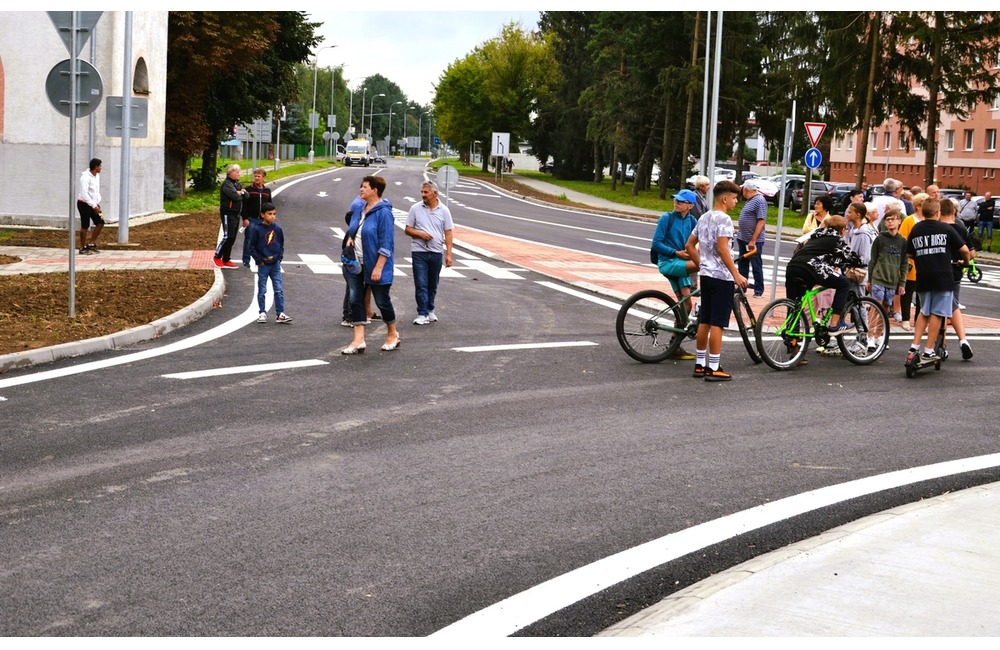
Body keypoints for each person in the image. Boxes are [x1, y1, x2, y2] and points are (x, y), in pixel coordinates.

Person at [683, 180, 748, 382]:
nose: (736, 202)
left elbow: (689, 245)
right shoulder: (724, 220)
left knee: (705, 320)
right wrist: (736, 274)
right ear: (725, 198)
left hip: (707, 275)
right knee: (718, 323)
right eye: (735, 198)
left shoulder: (703, 218)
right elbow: (723, 248)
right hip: (721, 277)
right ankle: (714, 367)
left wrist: (701, 264)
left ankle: (700, 365)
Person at [905, 198, 970, 365]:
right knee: (938, 312)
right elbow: (964, 249)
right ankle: (928, 350)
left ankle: (914, 347)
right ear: (937, 212)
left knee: (924, 311)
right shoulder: (945, 228)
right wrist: (965, 263)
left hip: (923, 275)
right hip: (943, 275)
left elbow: (909, 254)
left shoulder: (916, 228)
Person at [341, 175, 400, 354]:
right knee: (355, 299)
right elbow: (353, 227)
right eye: (361, 186)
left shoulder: (384, 213)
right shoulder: (360, 208)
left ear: (375, 190)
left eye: (365, 187)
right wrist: (351, 237)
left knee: (382, 301)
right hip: (355, 263)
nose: (361, 189)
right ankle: (358, 340)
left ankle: (392, 334)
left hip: (375, 265)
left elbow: (386, 243)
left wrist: (379, 267)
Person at [784, 214, 864, 338]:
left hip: (793, 267)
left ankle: (792, 340)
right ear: (842, 230)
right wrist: (861, 263)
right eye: (846, 229)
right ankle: (834, 325)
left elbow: (824, 255)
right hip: (811, 267)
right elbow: (851, 257)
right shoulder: (836, 239)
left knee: (795, 303)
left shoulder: (815, 237)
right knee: (844, 284)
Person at [651, 188, 700, 360]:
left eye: (681, 201)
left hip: (680, 264)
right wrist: (675, 253)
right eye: (676, 200)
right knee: (705, 267)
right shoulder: (667, 218)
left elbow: (701, 240)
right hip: (669, 262)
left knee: (686, 306)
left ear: (690, 205)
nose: (676, 202)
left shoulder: (693, 221)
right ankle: (676, 345)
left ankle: (674, 346)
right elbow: (656, 243)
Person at [405, 180, 454, 325]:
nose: (423, 195)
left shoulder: (444, 210)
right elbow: (407, 229)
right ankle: (422, 313)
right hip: (419, 251)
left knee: (433, 283)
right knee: (421, 283)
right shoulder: (415, 208)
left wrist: (449, 254)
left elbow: (449, 233)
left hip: (437, 252)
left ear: (435, 193)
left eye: (426, 192)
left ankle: (430, 309)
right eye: (422, 192)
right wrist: (420, 234)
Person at [939, 197, 974, 360]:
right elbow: (970, 252)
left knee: (942, 310)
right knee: (953, 305)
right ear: (954, 211)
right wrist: (964, 263)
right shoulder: (960, 228)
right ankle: (963, 340)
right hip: (956, 271)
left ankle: (943, 345)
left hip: (938, 270)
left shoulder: (936, 228)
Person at [248, 202, 291, 324]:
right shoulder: (257, 229)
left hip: (275, 264)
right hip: (263, 264)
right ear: (262, 215)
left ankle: (280, 313)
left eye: (274, 214)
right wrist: (259, 260)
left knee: (278, 289)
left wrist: (279, 257)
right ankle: (262, 312)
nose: (272, 216)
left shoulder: (277, 229)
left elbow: (281, 244)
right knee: (262, 289)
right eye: (269, 214)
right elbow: (251, 247)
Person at [867, 208, 909, 331]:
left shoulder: (903, 241)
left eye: (893, 219)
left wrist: (902, 283)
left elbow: (904, 263)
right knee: (876, 306)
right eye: (887, 220)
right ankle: (870, 335)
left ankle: (879, 335)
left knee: (885, 309)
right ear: (884, 223)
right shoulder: (880, 239)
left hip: (892, 280)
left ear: (899, 221)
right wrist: (870, 280)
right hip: (878, 278)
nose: (890, 222)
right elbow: (873, 260)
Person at [736, 179, 768, 298]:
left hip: (753, 241)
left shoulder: (759, 200)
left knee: (756, 265)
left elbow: (761, 221)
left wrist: (753, 239)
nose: (742, 191)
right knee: (743, 263)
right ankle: (742, 287)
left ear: (747, 189)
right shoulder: (751, 200)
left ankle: (758, 290)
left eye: (743, 189)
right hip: (743, 238)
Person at [215, 163, 247, 269]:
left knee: (232, 238)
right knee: (227, 236)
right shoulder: (227, 184)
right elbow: (235, 197)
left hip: (236, 213)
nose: (239, 174)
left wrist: (240, 192)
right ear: (231, 173)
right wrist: (239, 193)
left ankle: (226, 259)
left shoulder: (237, 184)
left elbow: (246, 195)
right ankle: (217, 256)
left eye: (239, 172)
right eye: (237, 172)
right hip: (228, 213)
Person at [241, 167, 272, 268]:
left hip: (263, 220)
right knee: (249, 240)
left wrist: (270, 217)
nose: (257, 178)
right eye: (255, 176)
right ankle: (246, 260)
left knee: (263, 240)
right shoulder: (248, 190)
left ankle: (260, 260)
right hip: (252, 219)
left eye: (259, 176)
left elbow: (270, 205)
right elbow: (243, 205)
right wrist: (245, 218)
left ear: (264, 178)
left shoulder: (267, 191)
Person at [76, 158, 104, 254]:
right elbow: (84, 194)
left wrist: (96, 203)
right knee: (85, 225)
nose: (101, 167)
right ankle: (82, 247)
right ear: (96, 167)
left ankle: (91, 244)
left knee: (100, 222)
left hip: (92, 204)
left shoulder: (97, 176)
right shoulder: (85, 177)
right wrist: (93, 206)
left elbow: (95, 191)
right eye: (100, 166)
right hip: (83, 203)